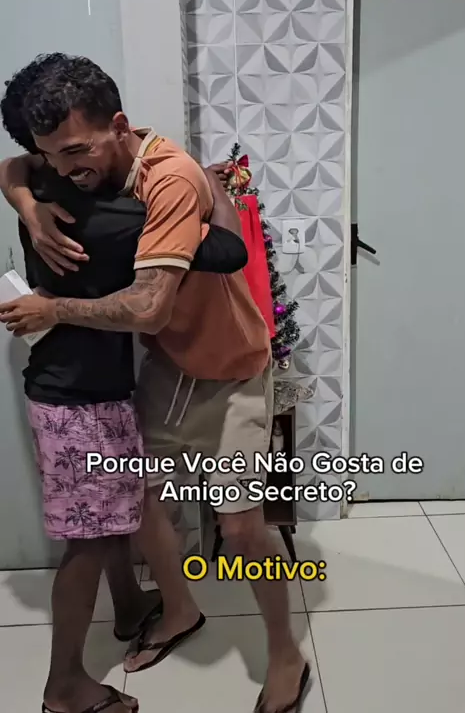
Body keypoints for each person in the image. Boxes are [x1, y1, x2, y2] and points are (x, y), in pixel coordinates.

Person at [0, 54, 310, 713]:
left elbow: (147, 307)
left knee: (241, 529)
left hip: (230, 370)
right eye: (53, 155)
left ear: (118, 126)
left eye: (76, 152)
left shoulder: (168, 180)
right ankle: (179, 610)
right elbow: (13, 167)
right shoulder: (76, 171)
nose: (64, 169)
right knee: (137, 501)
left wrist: (52, 309)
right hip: (167, 368)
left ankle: (286, 653)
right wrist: (28, 205)